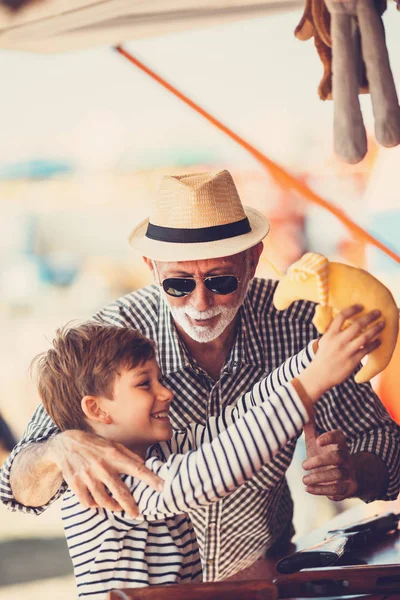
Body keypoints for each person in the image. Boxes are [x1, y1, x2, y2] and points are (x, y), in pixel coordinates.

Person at [1, 170, 399, 581]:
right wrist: (58, 449)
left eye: (221, 280)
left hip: (261, 578)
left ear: (253, 260)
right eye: (177, 283)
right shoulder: (110, 356)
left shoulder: (298, 318)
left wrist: (318, 360)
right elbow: (15, 487)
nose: (200, 301)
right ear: (151, 268)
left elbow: (244, 418)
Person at [31, 306, 382, 597]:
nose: (166, 393)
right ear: (96, 409)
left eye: (160, 380)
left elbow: (239, 416)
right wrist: (312, 382)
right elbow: (213, 469)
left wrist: (315, 356)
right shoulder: (106, 481)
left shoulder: (157, 452)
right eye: (144, 384)